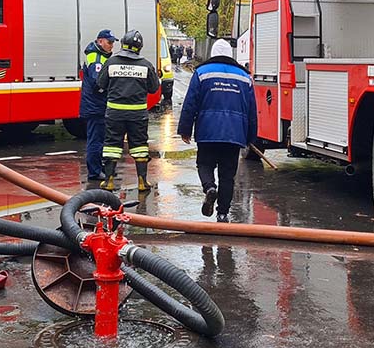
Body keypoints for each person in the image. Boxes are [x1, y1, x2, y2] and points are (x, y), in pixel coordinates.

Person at [177, 39, 257, 222]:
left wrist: (185, 129)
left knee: (204, 165)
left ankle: (209, 188)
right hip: (234, 134)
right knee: (228, 175)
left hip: (208, 131)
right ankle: (222, 213)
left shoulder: (202, 73)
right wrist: (251, 136)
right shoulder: (245, 77)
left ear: (212, 53)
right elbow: (252, 109)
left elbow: (190, 103)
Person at [97, 29, 160, 191]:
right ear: (139, 47)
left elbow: (100, 84)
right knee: (139, 146)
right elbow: (154, 88)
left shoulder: (111, 62)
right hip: (137, 115)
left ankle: (109, 181)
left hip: (114, 113)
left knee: (112, 145)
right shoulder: (145, 65)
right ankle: (142, 182)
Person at [79, 29, 117, 182]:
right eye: (109, 42)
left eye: (113, 43)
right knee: (95, 140)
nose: (111, 46)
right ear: (100, 41)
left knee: (100, 139)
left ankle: (99, 169)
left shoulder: (98, 55)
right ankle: (94, 172)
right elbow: (98, 82)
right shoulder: (95, 57)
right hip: (95, 105)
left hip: (96, 104)